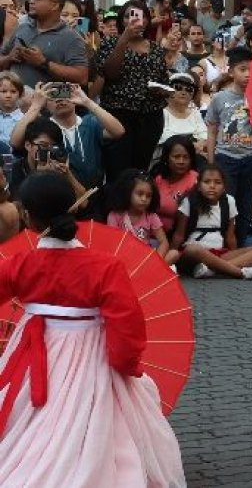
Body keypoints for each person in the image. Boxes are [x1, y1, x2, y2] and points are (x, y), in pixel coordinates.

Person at [0, 171, 186, 486]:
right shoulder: (105, 266)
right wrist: (125, 364)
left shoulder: (20, 263)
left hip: (37, 351)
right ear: (73, 207)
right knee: (97, 414)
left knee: (30, 414)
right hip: (92, 353)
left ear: (27, 217)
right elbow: (126, 322)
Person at [96, 0, 169, 177]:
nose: (136, 20)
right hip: (119, 115)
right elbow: (109, 73)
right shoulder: (110, 43)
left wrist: (162, 90)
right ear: (122, 20)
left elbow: (163, 79)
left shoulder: (156, 49)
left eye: (141, 16)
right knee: (117, 169)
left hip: (150, 116)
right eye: (130, 16)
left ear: (147, 21)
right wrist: (124, 39)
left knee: (141, 170)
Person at [204, 47, 252, 244]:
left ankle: (241, 244)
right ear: (231, 72)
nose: (248, 74)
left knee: (246, 205)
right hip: (226, 157)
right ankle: (221, 245)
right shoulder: (220, 98)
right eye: (243, 69)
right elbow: (212, 129)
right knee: (225, 203)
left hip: (251, 157)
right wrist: (212, 161)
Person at [171, 165, 252, 280]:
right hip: (194, 254)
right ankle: (241, 273)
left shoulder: (229, 201)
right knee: (193, 249)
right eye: (207, 182)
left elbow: (230, 236)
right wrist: (173, 255)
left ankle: (211, 270)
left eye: (217, 182)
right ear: (198, 186)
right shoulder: (189, 202)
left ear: (223, 187)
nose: (212, 186)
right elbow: (179, 234)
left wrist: (236, 253)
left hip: (220, 253)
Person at [0, 0, 88, 87]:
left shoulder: (71, 37)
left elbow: (82, 78)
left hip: (46, 101)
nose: (31, 2)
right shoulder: (22, 27)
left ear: (55, 5)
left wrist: (43, 63)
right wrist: (10, 58)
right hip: (12, 102)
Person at [106, 168, 172, 261]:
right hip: (122, 258)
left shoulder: (151, 216)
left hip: (145, 259)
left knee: (173, 254)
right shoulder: (115, 216)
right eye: (140, 194)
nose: (144, 199)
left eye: (148, 196)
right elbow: (112, 243)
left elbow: (164, 242)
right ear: (128, 192)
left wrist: (156, 261)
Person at [153, 135, 200, 237]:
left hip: (182, 237)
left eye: (186, 157)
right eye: (176, 157)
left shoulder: (195, 181)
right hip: (155, 233)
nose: (181, 161)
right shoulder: (159, 179)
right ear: (167, 158)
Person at [0, 71, 25, 149]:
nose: (8, 95)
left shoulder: (23, 120)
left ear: (20, 94)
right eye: (4, 91)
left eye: (13, 91)